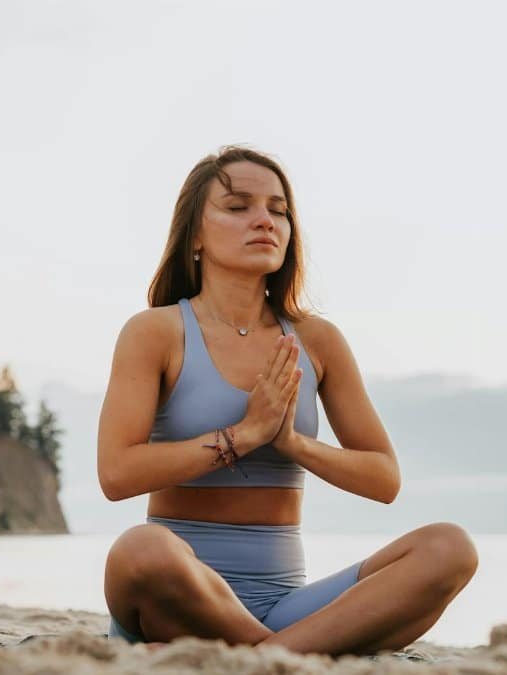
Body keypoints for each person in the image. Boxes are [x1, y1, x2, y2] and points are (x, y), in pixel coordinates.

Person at [96, 146, 478, 656]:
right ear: (194, 235)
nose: (265, 221)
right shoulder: (156, 332)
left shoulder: (317, 341)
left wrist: (292, 443)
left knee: (449, 548)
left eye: (278, 210)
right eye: (239, 207)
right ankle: (292, 657)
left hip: (287, 606)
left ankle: (269, 658)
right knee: (138, 551)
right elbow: (116, 473)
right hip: (179, 595)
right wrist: (241, 436)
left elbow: (384, 478)